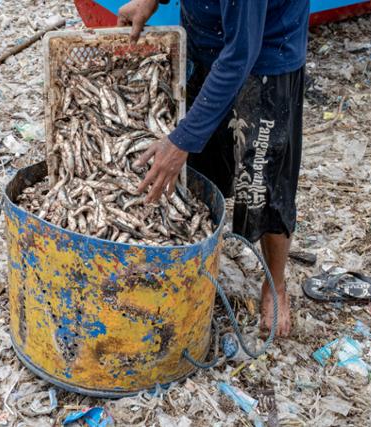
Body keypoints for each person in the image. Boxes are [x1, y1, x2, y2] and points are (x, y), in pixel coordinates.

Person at [118, 0, 310, 337]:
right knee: (204, 173)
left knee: (264, 184)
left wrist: (181, 141)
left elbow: (240, 55)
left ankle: (275, 284)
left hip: (267, 54)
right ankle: (201, 260)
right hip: (207, 40)